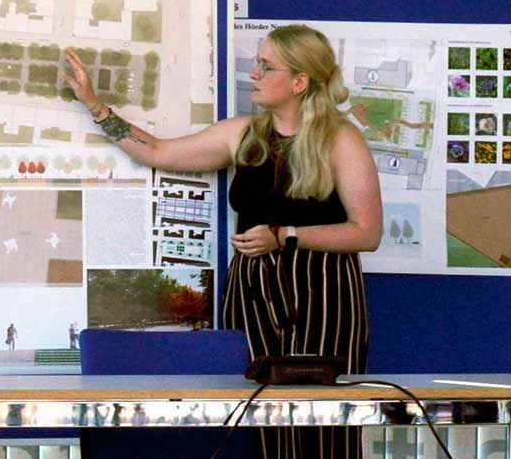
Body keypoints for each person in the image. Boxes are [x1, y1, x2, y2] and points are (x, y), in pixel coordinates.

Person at [64, 24, 382, 459]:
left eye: (265, 65)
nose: (253, 72)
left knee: (321, 427)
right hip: (252, 293)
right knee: (249, 420)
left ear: (299, 81)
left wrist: (286, 235)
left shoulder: (342, 139)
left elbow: (367, 232)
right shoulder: (244, 134)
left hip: (322, 292)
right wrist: (95, 106)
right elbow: (158, 151)